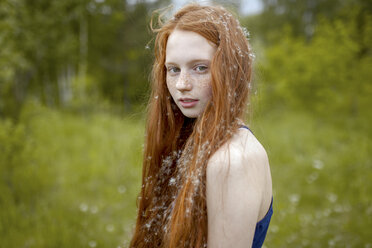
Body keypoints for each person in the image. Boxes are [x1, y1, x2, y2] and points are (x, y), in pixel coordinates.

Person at [130, 3, 273, 248]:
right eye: (173, 69)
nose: (182, 84)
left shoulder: (231, 160)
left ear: (231, 70)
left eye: (200, 68)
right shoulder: (192, 139)